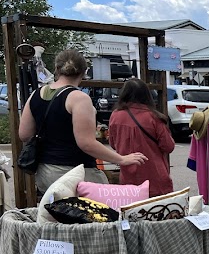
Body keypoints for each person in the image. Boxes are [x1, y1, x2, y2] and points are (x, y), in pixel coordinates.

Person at [18, 49, 147, 195]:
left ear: (56, 69)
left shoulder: (36, 94)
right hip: (76, 173)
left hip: (45, 172)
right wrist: (122, 159)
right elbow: (86, 143)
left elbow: (24, 134)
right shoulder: (79, 98)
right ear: (83, 72)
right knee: (102, 212)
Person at [108, 78, 175, 196]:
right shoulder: (153, 117)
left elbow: (113, 144)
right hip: (154, 178)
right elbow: (168, 146)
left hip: (127, 178)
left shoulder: (115, 115)